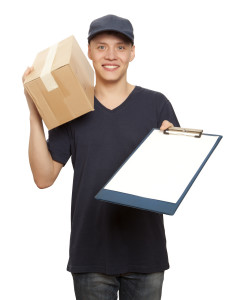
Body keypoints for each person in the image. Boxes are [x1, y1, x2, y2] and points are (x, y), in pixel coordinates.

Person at [22, 14, 180, 300]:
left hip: (146, 254)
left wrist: (172, 149)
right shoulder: (71, 107)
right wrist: (36, 111)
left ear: (133, 53)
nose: (111, 55)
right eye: (102, 47)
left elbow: (174, 180)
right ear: (89, 52)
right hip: (91, 255)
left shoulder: (156, 104)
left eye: (120, 47)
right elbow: (43, 178)